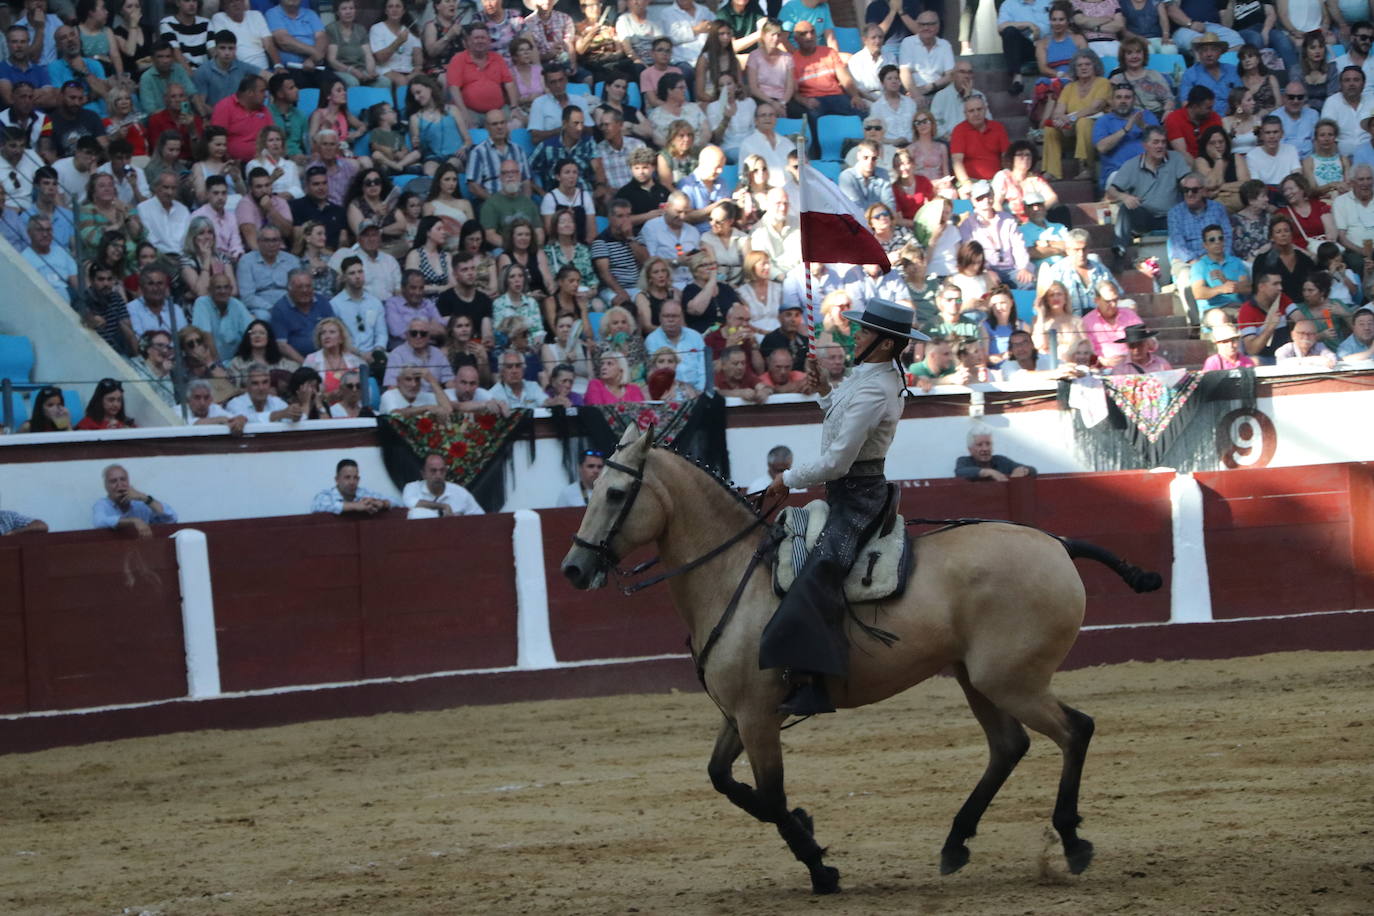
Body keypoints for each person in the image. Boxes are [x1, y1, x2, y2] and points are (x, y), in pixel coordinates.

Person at [760, 297, 928, 716]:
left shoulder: (876, 385)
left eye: (868, 332)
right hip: (849, 492)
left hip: (859, 497)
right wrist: (823, 393)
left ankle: (814, 681)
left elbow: (837, 460)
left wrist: (787, 479)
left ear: (887, 344)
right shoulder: (872, 375)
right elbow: (841, 421)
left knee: (820, 571)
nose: (859, 335)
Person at [1191, 222, 1253, 324]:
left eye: (1220, 238)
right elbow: (1198, 293)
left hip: (1238, 307)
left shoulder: (1236, 262)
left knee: (1250, 315)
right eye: (1212, 240)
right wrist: (1221, 289)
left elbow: (1247, 288)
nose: (1217, 242)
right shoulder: (1199, 266)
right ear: (1205, 245)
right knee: (1220, 317)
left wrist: (1226, 281)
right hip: (1213, 310)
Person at [93, 463, 176, 534]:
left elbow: (171, 518)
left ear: (128, 482)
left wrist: (144, 498)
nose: (120, 484)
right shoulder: (102, 504)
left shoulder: (139, 503)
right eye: (113, 481)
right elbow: (99, 522)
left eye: (123, 479)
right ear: (106, 486)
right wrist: (133, 521)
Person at [950, 94, 1010, 188]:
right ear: (965, 114)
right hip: (970, 180)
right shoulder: (959, 130)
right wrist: (966, 183)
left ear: (985, 110)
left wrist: (1007, 178)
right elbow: (957, 161)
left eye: (979, 109)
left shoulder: (998, 127)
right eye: (971, 111)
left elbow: (1006, 157)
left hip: (996, 181)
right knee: (963, 199)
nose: (976, 113)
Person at [403, 452, 483, 519]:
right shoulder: (412, 488)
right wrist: (443, 507)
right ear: (423, 474)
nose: (438, 475)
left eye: (442, 470)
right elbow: (410, 503)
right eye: (433, 471)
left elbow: (481, 518)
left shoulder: (460, 493)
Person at [311, 458, 393, 515]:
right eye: (347, 477)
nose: (352, 482)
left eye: (355, 478)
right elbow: (318, 505)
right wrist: (355, 506)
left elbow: (398, 501)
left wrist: (382, 503)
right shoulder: (326, 495)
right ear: (337, 479)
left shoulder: (364, 493)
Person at [955, 426, 1037, 481]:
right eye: (979, 445)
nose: (985, 449)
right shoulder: (964, 461)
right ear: (970, 449)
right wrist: (989, 472)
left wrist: (1024, 470)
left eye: (988, 444)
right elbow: (960, 472)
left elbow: (1032, 470)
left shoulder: (1001, 460)